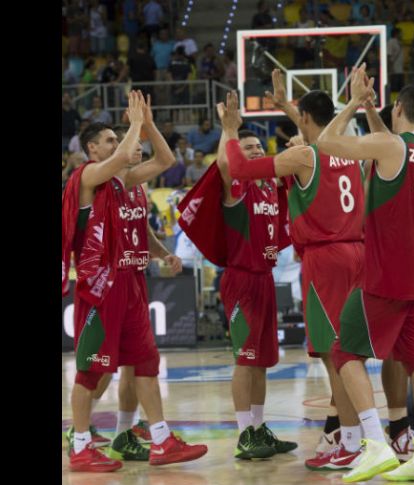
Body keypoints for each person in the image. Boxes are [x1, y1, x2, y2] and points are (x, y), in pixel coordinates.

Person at [312, 67, 414, 483]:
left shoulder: (390, 146)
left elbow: (325, 142)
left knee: (344, 353)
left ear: (400, 108)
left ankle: (373, 444)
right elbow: (388, 149)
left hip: (384, 275)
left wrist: (352, 102)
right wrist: (372, 110)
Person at [230, 69, 368, 469]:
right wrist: (287, 106)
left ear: (306, 119)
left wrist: (228, 132)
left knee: (334, 357)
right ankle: (354, 436)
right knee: (349, 353)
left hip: (325, 258)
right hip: (358, 253)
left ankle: (352, 440)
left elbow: (241, 170)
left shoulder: (304, 155)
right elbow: (323, 131)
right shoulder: (351, 148)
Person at [61, 91, 207, 472]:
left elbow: (166, 160)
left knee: (145, 361)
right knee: (93, 370)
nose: (119, 143)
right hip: (101, 287)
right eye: (109, 139)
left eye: (118, 138)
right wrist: (136, 123)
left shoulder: (127, 183)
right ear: (92, 149)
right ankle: (79, 445)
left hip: (133, 282)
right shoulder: (87, 177)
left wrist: (149, 123)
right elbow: (126, 156)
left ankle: (161, 440)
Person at [177, 105, 297, 460]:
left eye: (260, 148)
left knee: (261, 362)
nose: (258, 152)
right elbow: (225, 168)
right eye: (249, 149)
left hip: (264, 279)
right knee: (245, 361)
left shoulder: (268, 190)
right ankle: (245, 432)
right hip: (241, 281)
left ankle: (259, 427)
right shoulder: (238, 188)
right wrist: (228, 130)